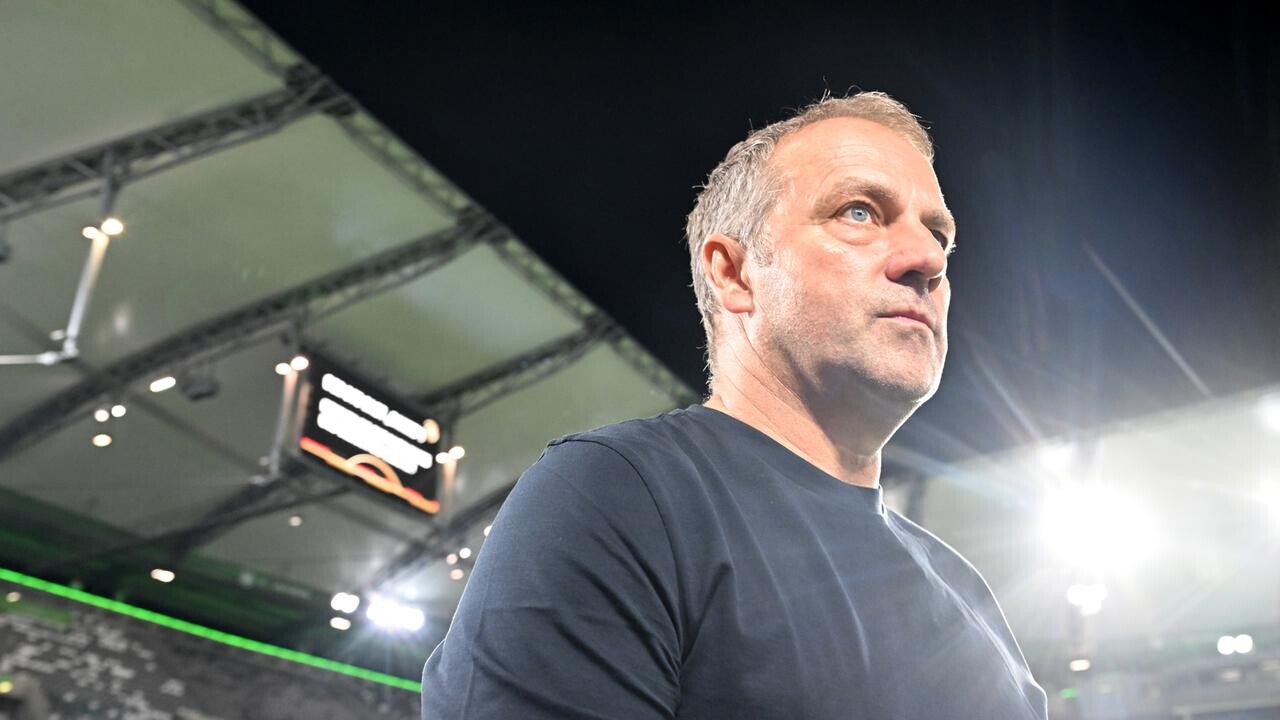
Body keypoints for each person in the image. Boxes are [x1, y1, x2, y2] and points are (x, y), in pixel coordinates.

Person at [421, 91, 1048, 719]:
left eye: (938, 234)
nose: (928, 259)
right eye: (859, 212)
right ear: (734, 273)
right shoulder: (618, 495)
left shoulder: (972, 600)